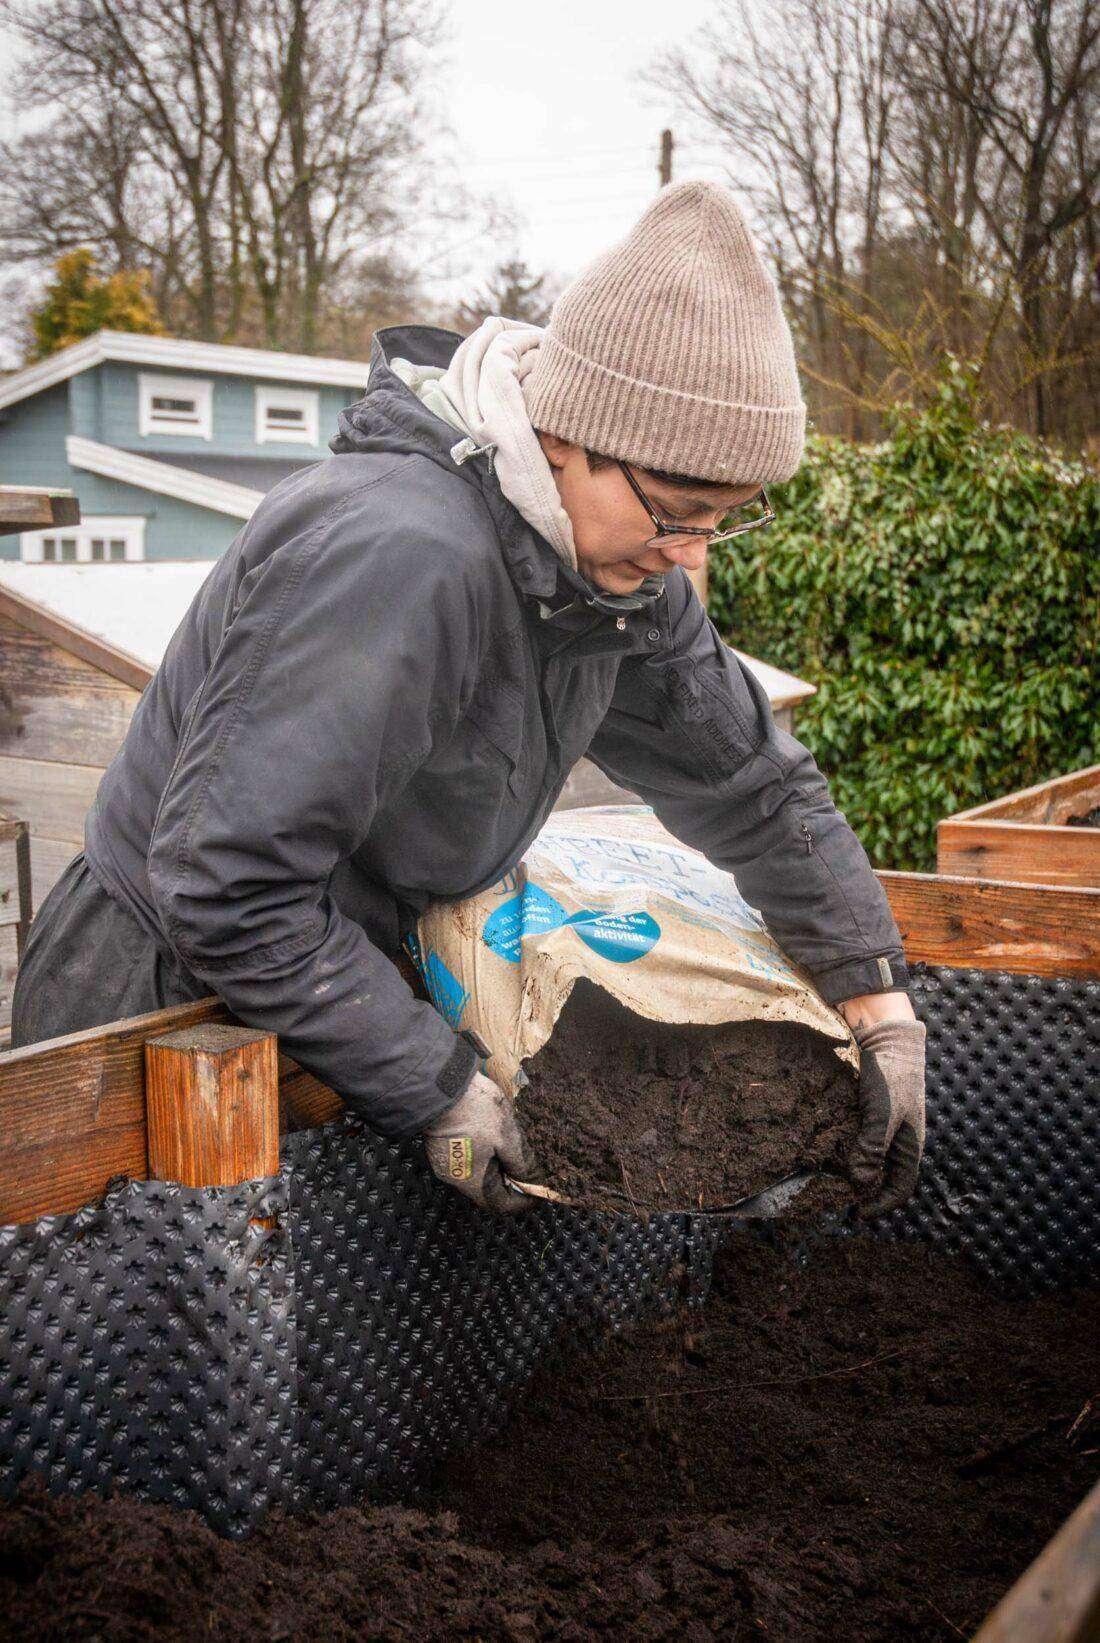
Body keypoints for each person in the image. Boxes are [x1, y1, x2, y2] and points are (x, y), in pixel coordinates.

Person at [12, 181, 925, 1218]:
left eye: (725, 519)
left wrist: (877, 1000)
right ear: (567, 435)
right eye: (678, 512)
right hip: (158, 999)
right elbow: (228, 881)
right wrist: (434, 1082)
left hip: (330, 977)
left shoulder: (614, 579)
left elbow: (750, 781)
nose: (691, 553)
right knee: (146, 1311)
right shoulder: (402, 555)